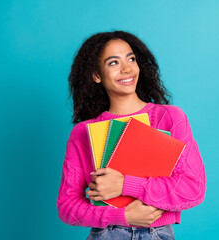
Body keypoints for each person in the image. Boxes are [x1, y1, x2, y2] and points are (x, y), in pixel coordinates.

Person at [57, 30, 206, 239]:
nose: (127, 68)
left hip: (156, 233)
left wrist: (123, 184)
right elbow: (67, 207)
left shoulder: (170, 118)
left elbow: (193, 188)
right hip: (105, 234)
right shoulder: (82, 133)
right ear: (96, 75)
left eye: (131, 59)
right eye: (113, 63)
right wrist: (121, 215)